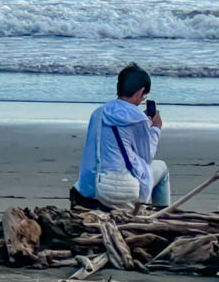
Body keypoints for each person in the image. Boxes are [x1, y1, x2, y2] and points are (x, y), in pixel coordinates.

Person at [71, 63, 170, 209]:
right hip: (122, 190)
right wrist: (155, 128)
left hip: (91, 188)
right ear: (140, 92)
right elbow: (146, 156)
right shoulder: (139, 118)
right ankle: (162, 214)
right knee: (162, 168)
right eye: (144, 95)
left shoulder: (98, 113)